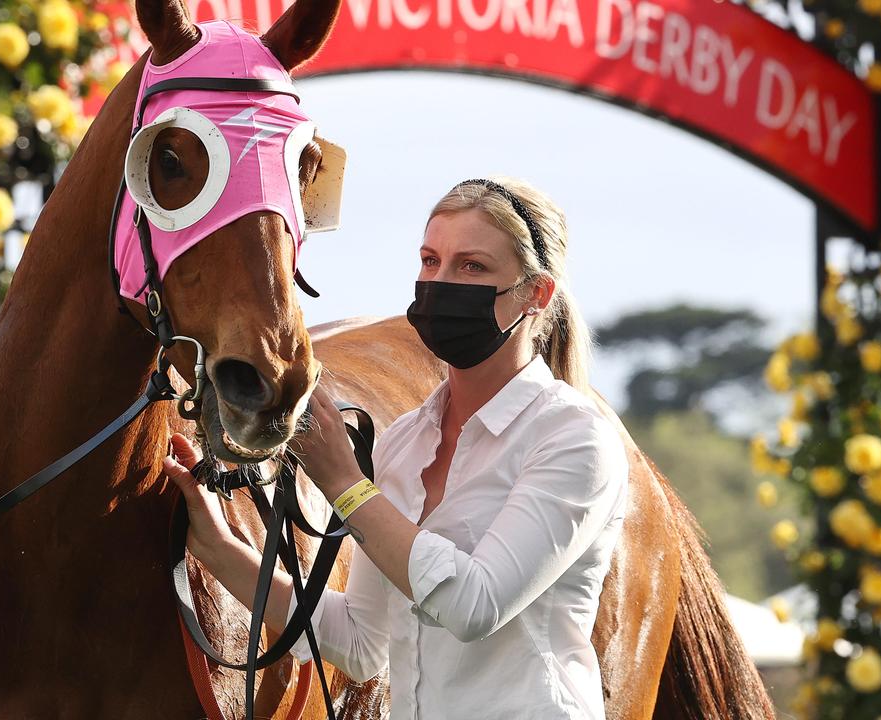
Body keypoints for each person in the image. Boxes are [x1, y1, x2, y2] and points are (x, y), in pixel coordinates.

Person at [164, 177, 630, 719]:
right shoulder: (407, 441)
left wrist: (344, 484)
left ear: (536, 294)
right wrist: (218, 548)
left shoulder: (575, 440)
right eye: (431, 260)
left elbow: (473, 605)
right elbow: (362, 644)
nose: (440, 282)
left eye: (472, 266)